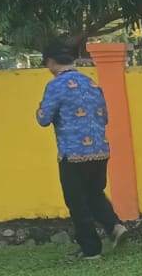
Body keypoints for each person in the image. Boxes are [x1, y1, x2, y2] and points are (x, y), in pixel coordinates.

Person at [36, 39, 128, 261]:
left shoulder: (56, 86)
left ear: (51, 62)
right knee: (95, 193)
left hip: (72, 153)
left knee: (76, 201)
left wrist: (39, 111)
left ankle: (91, 249)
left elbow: (44, 119)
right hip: (99, 150)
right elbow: (104, 117)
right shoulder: (91, 84)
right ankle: (114, 226)